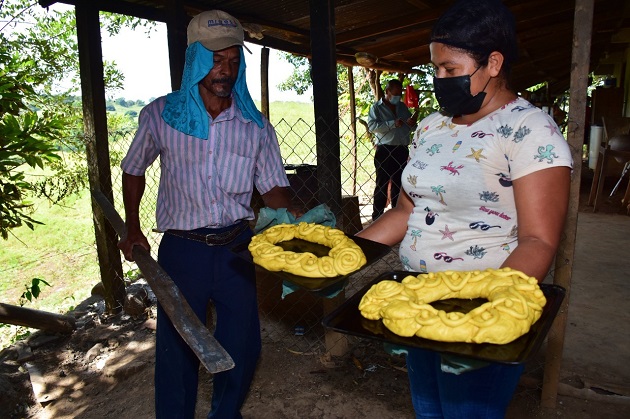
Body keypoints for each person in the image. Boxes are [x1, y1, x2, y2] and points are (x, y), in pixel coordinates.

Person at [357, 0, 573, 417]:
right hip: (419, 305)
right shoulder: (432, 126)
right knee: (429, 410)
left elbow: (538, 239)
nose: (439, 80)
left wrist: (482, 317)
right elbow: (405, 211)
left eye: (451, 70)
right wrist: (342, 255)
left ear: (493, 63)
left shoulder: (530, 131)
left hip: (478, 315)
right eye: (435, 68)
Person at [117, 10, 293, 419]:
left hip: (237, 249)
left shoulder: (256, 127)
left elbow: (273, 188)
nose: (225, 70)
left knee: (242, 344)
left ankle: (225, 413)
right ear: (194, 58)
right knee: (178, 345)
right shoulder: (163, 115)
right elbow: (133, 168)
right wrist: (131, 227)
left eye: (233, 61)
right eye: (215, 60)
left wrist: (294, 216)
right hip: (183, 252)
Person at [368, 78, 417, 221]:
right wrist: (392, 124)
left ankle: (396, 216)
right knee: (381, 184)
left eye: (400, 94)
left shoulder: (402, 107)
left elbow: (411, 127)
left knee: (399, 184)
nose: (398, 97)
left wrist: (412, 123)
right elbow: (372, 127)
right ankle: (377, 217)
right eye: (395, 94)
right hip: (385, 150)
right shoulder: (376, 108)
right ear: (387, 92)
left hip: (401, 150)